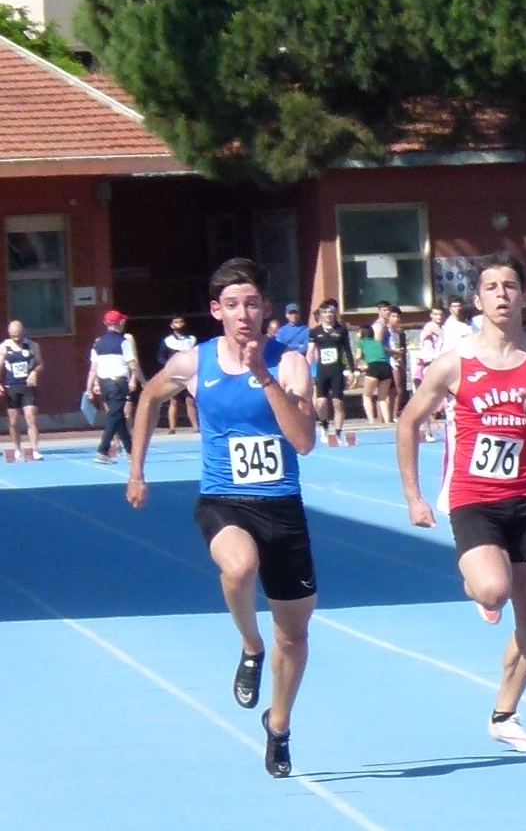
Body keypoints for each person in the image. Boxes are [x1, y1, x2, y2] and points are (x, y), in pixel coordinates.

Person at [126, 258, 317, 778]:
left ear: (266, 309)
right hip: (223, 499)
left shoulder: (290, 364)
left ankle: (279, 725)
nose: (243, 314)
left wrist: (264, 378)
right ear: (216, 311)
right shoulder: (195, 362)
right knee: (239, 566)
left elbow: (303, 441)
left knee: (294, 637)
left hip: (282, 505)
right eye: (232, 305)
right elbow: (148, 397)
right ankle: (250, 644)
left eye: (252, 303)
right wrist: (137, 470)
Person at [395, 253, 526, 753]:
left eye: (510, 286)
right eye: (492, 287)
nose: (502, 294)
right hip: (473, 499)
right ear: (478, 301)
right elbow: (408, 422)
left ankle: (505, 714)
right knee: (494, 591)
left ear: (524, 297)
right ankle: (479, 587)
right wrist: (414, 497)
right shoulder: (455, 363)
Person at [87, 309, 143, 464]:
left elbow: (93, 369)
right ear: (120, 323)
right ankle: (102, 450)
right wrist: (143, 381)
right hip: (118, 383)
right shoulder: (124, 342)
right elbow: (133, 365)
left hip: (104, 383)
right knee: (115, 416)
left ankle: (131, 451)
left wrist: (89, 387)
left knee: (118, 417)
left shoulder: (98, 343)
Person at [307, 300, 352, 436]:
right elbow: (310, 352)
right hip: (323, 370)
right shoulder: (315, 332)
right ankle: (324, 423)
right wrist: (307, 369)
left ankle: (338, 432)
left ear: (335, 313)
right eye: (325, 312)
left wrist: (351, 370)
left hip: (337, 370)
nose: (328, 315)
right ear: (321, 314)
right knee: (320, 402)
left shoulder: (341, 330)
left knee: (337, 402)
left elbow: (347, 351)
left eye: (331, 312)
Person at [2, 320, 43, 461]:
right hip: (12, 387)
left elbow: (40, 364)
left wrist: (34, 372)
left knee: (31, 418)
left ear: (23, 332)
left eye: (19, 336)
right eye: (14, 336)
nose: (17, 339)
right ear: (9, 333)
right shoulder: (4, 347)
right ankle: (17, 448)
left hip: (28, 386)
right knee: (13, 422)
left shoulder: (32, 345)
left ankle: (35, 449)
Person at [157, 315, 200, 434]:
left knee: (190, 400)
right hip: (175, 375)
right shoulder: (167, 341)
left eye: (181, 322)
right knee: (174, 401)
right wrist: (169, 366)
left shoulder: (192, 339)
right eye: (176, 322)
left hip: (190, 374)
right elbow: (160, 357)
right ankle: (172, 428)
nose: (179, 324)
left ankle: (195, 427)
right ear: (172, 325)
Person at [415, 304, 446, 441]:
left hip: (436, 366)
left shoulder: (441, 329)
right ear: (431, 316)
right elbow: (446, 337)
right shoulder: (431, 326)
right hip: (426, 367)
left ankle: (430, 429)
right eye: (436, 314)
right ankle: (427, 431)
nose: (439, 317)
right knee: (426, 401)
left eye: (440, 315)